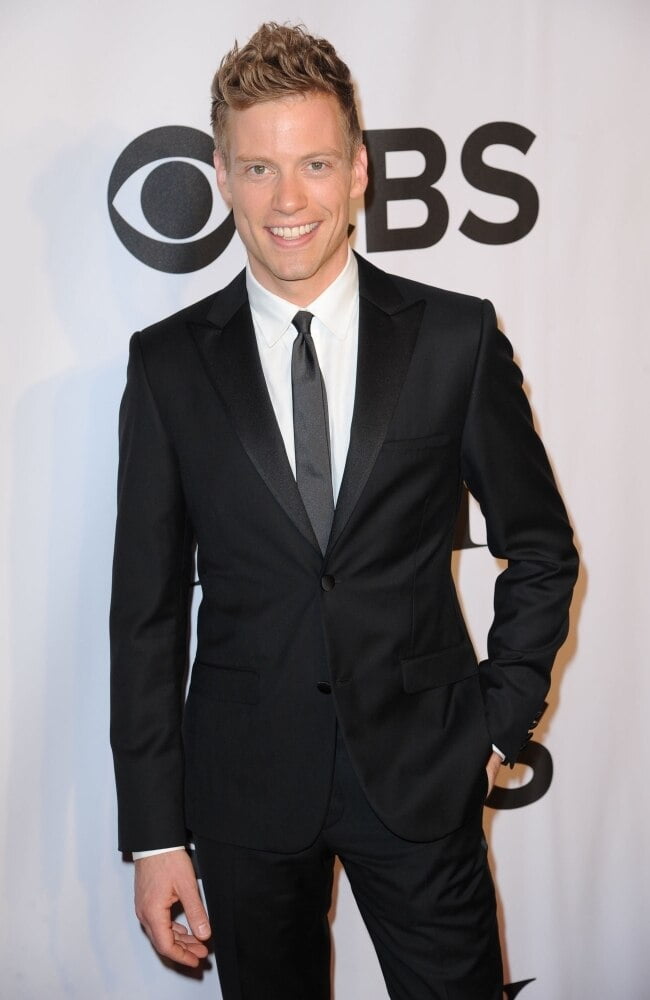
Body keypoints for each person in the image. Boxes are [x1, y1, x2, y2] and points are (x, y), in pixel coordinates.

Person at [110, 22, 578, 1000]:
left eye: (315, 163)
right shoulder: (166, 366)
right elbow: (145, 616)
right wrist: (155, 832)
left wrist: (495, 725)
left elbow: (536, 547)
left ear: (359, 170)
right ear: (220, 174)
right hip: (242, 790)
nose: (289, 200)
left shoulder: (453, 339)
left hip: (422, 771)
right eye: (259, 168)